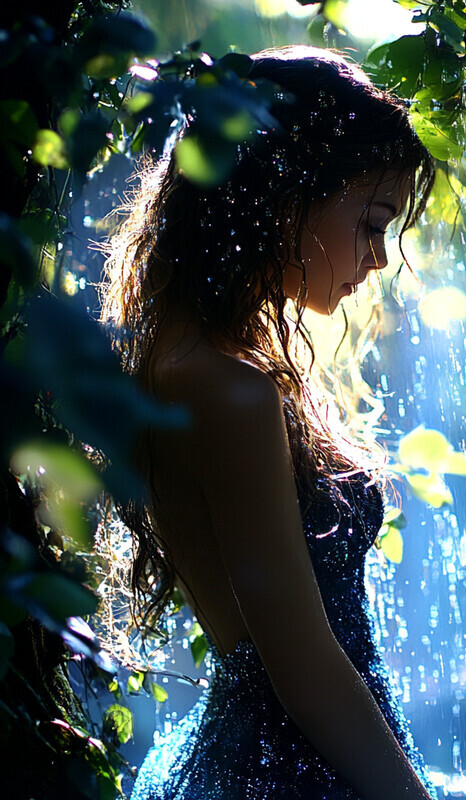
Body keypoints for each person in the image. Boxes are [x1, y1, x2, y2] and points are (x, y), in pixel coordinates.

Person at [99, 45, 437, 800]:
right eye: (371, 221)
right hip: (295, 773)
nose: (380, 258)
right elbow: (308, 670)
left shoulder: (184, 364)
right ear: (284, 193)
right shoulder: (231, 392)